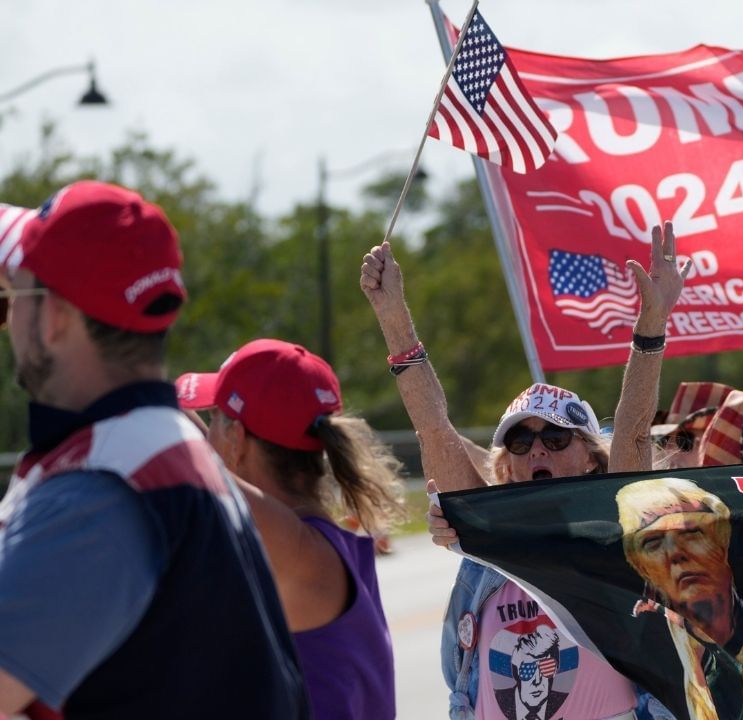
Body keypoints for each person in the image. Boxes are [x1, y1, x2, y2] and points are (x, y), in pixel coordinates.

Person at [0, 181, 308, 718]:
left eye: (10, 298)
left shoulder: (95, 494)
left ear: (54, 318)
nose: (8, 324)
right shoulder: (162, 445)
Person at [360, 224, 686, 720]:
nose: (537, 450)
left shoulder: (615, 525)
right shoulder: (485, 536)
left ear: (590, 458)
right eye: (520, 440)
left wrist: (652, 324)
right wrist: (391, 313)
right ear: (505, 466)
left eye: (556, 439)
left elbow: (635, 433)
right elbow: (434, 429)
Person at [176, 338, 401, 720]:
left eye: (214, 417)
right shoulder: (317, 545)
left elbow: (197, 470)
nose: (208, 432)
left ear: (238, 439)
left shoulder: (303, 554)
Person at [617, 477, 743, 720]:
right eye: (652, 542)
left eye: (691, 532)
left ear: (723, 539)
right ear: (642, 567)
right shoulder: (645, 626)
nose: (675, 553)